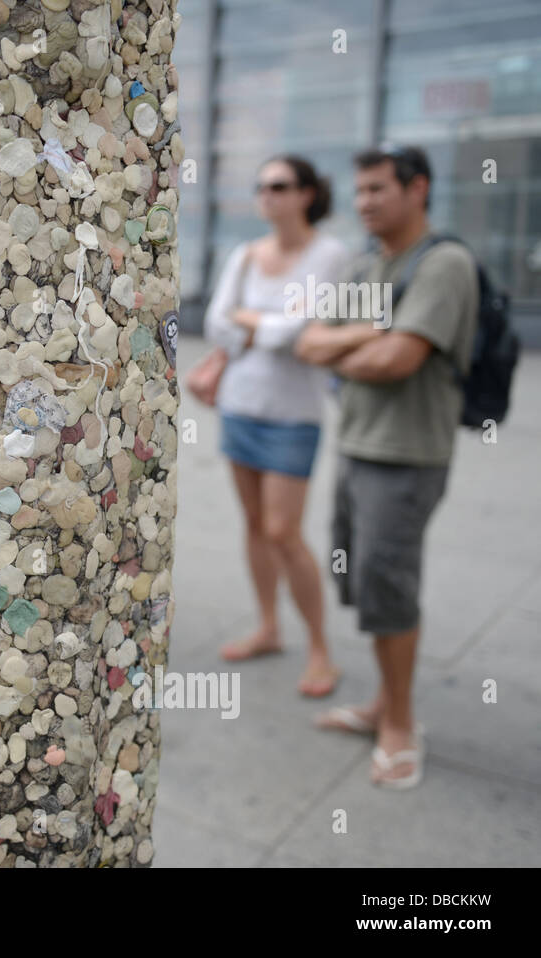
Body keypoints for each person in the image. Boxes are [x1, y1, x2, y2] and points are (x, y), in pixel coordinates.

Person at [295, 145, 478, 789]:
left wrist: (356, 344)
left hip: (407, 456)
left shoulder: (446, 264)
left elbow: (396, 362)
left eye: (378, 189)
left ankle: (399, 722)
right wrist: (368, 335)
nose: (365, 201)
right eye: (361, 190)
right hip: (358, 447)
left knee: (388, 583)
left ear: (418, 188)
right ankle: (381, 703)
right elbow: (309, 341)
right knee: (369, 584)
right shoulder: (365, 264)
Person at [202, 155, 351, 697]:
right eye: (262, 186)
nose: (268, 195)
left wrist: (249, 322)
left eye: (281, 186)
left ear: (307, 193)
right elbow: (217, 322)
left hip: (294, 414)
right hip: (241, 404)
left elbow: (296, 334)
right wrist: (255, 326)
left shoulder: (329, 254)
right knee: (254, 525)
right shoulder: (244, 255)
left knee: (285, 532)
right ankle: (269, 625)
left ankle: (320, 649)